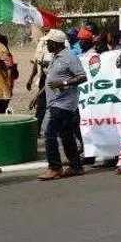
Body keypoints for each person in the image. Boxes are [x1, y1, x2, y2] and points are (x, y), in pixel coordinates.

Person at [37, 29, 87, 181]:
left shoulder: (69, 57)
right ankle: (76, 166)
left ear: (56, 43)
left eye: (48, 42)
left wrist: (63, 83)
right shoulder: (56, 57)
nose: (47, 44)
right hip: (56, 102)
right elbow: (51, 80)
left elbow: (82, 76)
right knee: (66, 135)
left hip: (63, 103)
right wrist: (38, 95)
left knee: (49, 133)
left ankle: (55, 167)